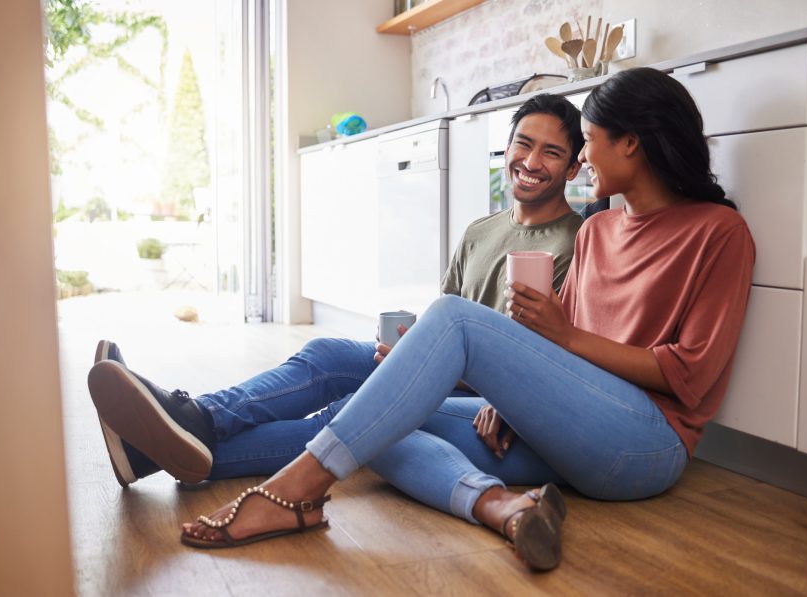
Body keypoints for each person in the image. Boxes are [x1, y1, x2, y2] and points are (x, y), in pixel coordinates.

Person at [159, 67, 756, 571]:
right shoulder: (601, 229)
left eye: (588, 139)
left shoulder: (717, 232)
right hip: (571, 427)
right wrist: (520, 392)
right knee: (380, 416)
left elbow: (689, 375)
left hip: (645, 445)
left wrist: (552, 349)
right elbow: (554, 348)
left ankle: (295, 492)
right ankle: (499, 507)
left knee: (452, 321)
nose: (584, 155)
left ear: (631, 143)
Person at [88, 93, 585, 489]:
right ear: (508, 145)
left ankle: (170, 448)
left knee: (349, 409)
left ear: (574, 168)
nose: (531, 160)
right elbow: (448, 312)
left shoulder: (575, 243)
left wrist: (487, 389)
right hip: (445, 366)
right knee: (325, 353)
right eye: (524, 143)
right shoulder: (482, 229)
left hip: (487, 391)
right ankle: (198, 417)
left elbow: (543, 360)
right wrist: (408, 344)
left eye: (552, 152)